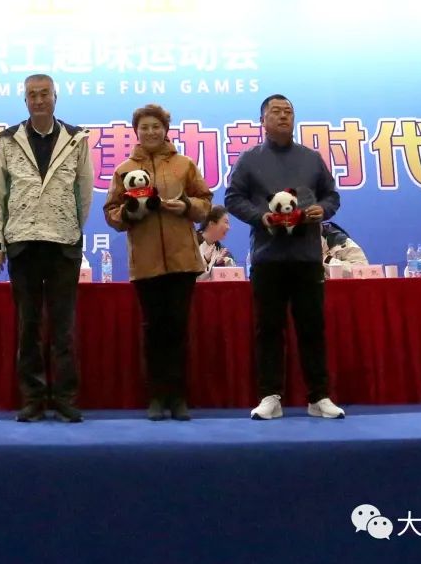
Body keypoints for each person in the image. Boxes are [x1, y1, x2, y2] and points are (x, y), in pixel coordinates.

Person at [224, 95, 346, 420]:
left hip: (307, 257)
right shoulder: (249, 160)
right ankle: (270, 397)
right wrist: (260, 217)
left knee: (312, 328)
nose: (283, 116)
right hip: (268, 258)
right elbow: (232, 198)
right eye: (275, 112)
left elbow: (331, 196)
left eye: (288, 112)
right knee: (268, 329)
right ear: (262, 121)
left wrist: (323, 210)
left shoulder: (311, 158)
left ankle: (319, 397)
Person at [0, 73, 94, 423]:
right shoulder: (7, 140)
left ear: (55, 97)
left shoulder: (76, 138)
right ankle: (32, 398)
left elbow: (85, 190)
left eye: (44, 93)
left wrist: (72, 225)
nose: (38, 100)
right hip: (22, 242)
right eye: (32, 95)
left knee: (63, 327)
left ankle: (64, 398)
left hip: (64, 242)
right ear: (25, 101)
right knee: (28, 326)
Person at [104, 105, 212, 421]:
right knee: (153, 330)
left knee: (177, 329)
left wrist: (187, 206)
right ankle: (155, 396)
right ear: (136, 132)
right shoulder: (124, 169)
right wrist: (129, 213)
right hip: (145, 261)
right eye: (144, 127)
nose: (150, 132)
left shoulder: (184, 164)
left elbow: (206, 203)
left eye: (156, 126)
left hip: (183, 261)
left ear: (165, 129)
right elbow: (111, 212)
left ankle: (178, 398)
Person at [197, 205, 234, 281]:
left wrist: (221, 264)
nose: (228, 227)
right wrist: (207, 261)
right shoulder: (191, 245)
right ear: (211, 224)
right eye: (226, 222)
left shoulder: (223, 252)